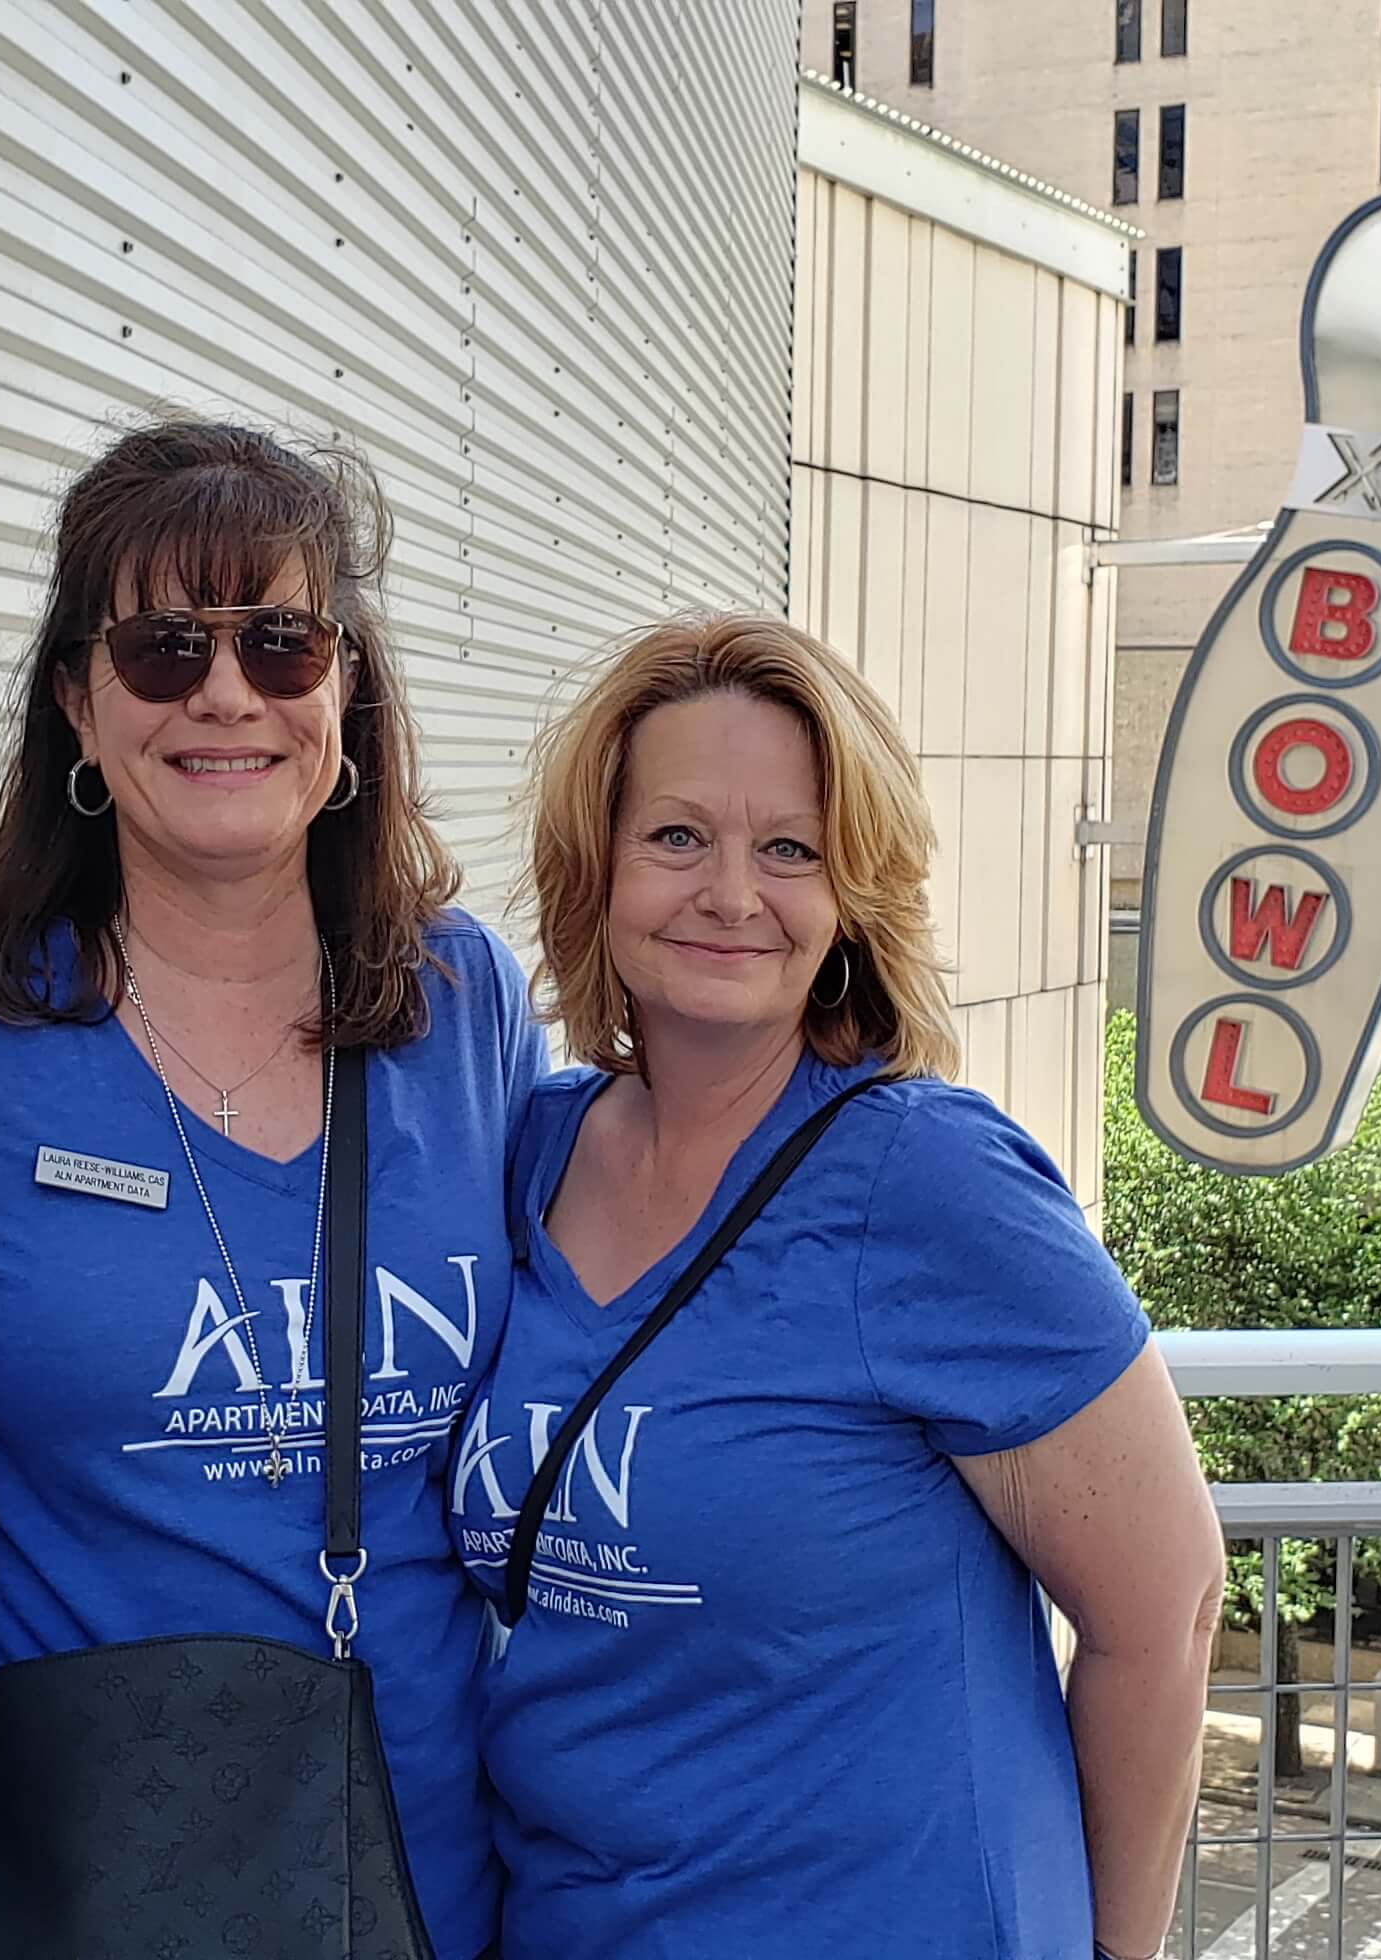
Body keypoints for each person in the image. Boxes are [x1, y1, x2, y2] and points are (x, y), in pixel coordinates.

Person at [455, 614, 1228, 1960]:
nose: (730, 893)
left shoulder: (933, 1182)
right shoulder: (529, 1151)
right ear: (598, 870)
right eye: (677, 836)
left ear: (852, 896)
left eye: (790, 849)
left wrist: (1118, 1953)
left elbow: (1164, 1612)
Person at [0, 419, 544, 1958]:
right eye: (165, 650)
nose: (228, 693)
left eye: (283, 642)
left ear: (348, 688)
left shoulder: (465, 1004)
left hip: (424, 1868)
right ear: (77, 704)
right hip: (77, 1872)